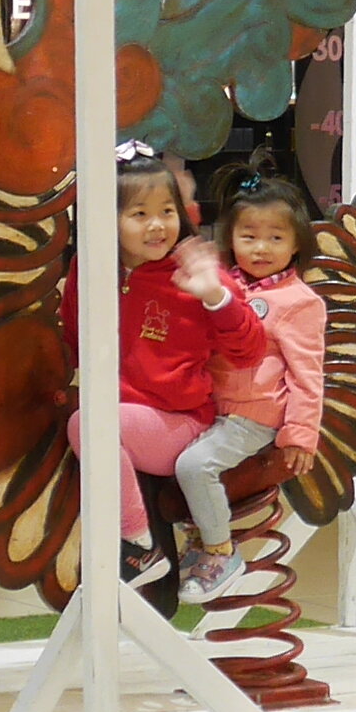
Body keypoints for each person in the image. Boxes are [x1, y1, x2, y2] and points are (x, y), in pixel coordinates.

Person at [59, 143, 266, 595]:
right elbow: (75, 339)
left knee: (89, 424)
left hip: (181, 423)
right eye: (139, 214)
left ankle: (138, 545)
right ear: (103, 221)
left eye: (167, 210)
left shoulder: (193, 271)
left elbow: (250, 349)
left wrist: (214, 295)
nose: (157, 225)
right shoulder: (89, 268)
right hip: (125, 417)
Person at [176, 154, 327, 604]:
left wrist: (301, 433)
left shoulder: (299, 302)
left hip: (254, 417)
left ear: (296, 244)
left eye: (275, 238)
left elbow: (307, 373)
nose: (261, 248)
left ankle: (222, 551)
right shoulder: (225, 286)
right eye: (249, 237)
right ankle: (191, 541)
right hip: (207, 406)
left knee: (193, 465)